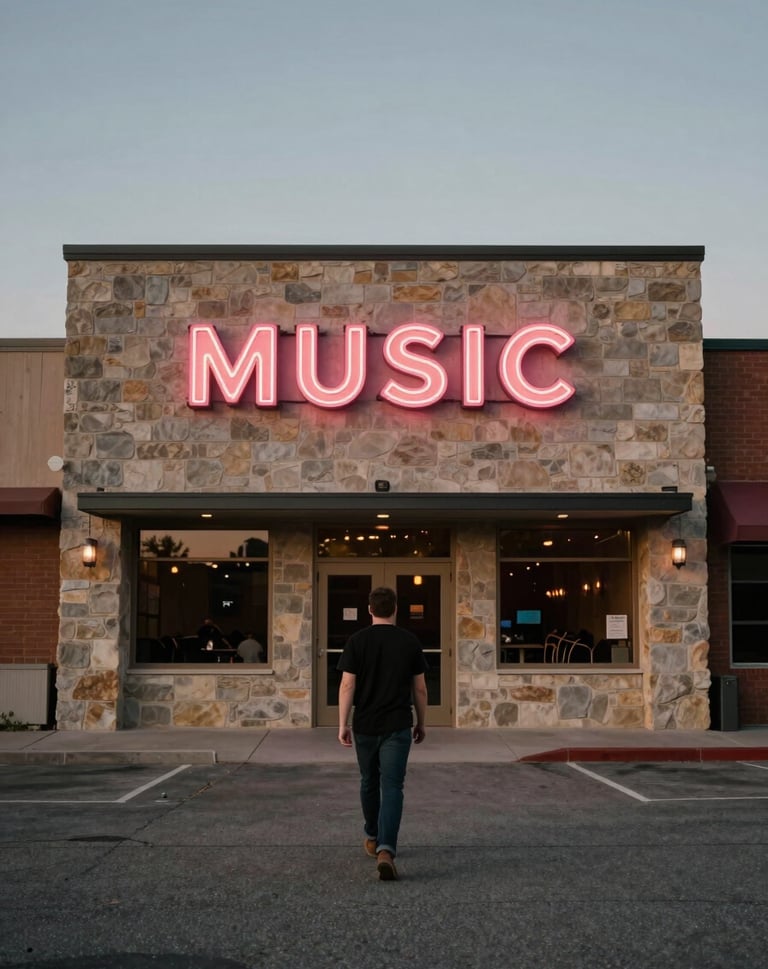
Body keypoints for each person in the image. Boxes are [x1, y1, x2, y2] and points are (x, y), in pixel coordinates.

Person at [337, 585, 428, 881]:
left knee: (368, 781)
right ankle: (386, 849)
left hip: (365, 725)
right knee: (392, 786)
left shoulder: (356, 641)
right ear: (395, 608)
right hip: (398, 725)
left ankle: (373, 835)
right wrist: (422, 722)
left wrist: (343, 723)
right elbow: (420, 688)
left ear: (370, 609)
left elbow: (347, 685)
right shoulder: (410, 641)